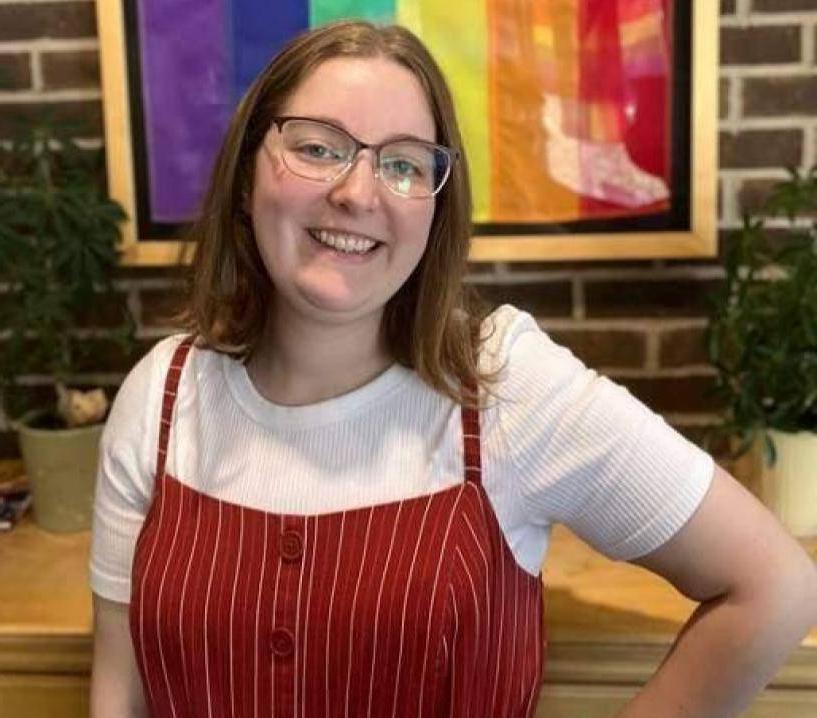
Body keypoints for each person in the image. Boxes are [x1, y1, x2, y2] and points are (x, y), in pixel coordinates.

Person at [89, 20, 816, 718]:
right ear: (246, 177)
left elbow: (774, 587)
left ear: (436, 208)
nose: (357, 191)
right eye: (317, 148)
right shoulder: (163, 394)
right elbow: (120, 692)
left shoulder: (504, 387)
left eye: (403, 163)